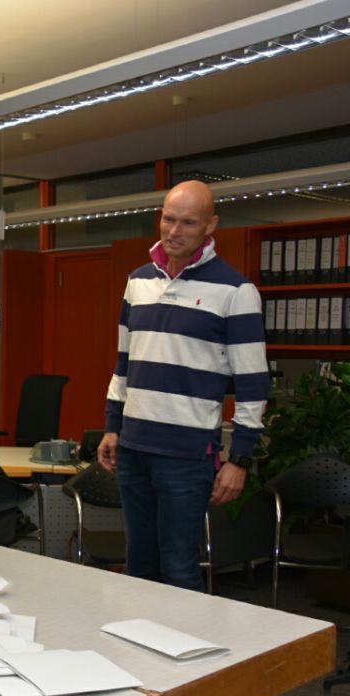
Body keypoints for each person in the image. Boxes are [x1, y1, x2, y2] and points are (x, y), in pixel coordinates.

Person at [96, 180, 267, 591]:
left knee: (178, 570)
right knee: (139, 565)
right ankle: (141, 652)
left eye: (188, 223)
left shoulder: (236, 291)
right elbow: (125, 362)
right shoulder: (138, 282)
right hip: (134, 449)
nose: (173, 231)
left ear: (211, 225)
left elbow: (253, 383)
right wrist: (112, 425)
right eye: (168, 219)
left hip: (186, 456)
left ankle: (188, 653)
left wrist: (239, 459)